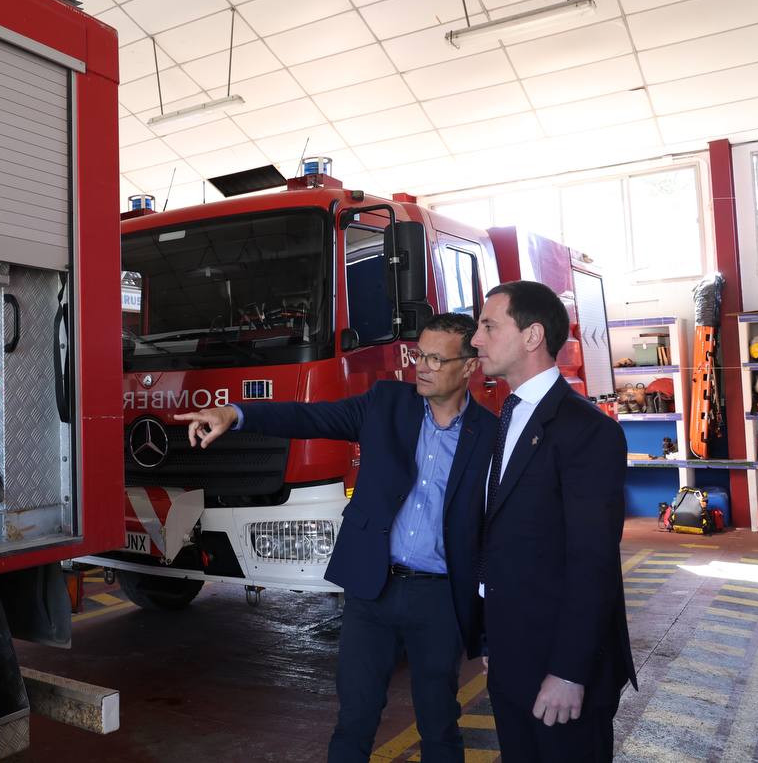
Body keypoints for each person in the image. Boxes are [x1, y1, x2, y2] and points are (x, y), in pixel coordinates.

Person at [175, 313, 495, 763]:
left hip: (440, 599)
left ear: (468, 367)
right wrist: (236, 413)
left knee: (439, 722)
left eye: (436, 359)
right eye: (419, 354)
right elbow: (310, 415)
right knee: (356, 718)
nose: (421, 366)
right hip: (373, 589)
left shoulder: (490, 435)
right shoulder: (386, 403)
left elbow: (496, 531)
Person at [470, 281, 636, 762]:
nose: (476, 339)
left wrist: (569, 671)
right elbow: (502, 534)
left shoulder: (588, 430)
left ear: (531, 335)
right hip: (511, 656)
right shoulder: (509, 414)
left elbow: (593, 561)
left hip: (562, 672)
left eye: (488, 326)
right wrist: (490, 636)